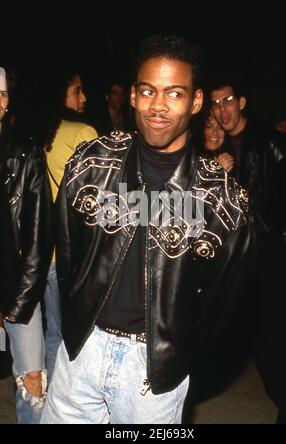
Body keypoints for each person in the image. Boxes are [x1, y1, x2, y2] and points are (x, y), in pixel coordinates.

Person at [41, 34, 252, 424]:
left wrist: (175, 353)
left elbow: (223, 303)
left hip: (152, 372)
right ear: (134, 96)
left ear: (196, 101)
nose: (158, 105)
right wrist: (77, 329)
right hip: (81, 352)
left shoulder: (221, 200)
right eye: (148, 91)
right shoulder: (91, 164)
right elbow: (67, 256)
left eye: (174, 94)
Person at [209, 78, 286, 423]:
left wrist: (276, 242)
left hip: (265, 253)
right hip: (230, 256)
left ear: (242, 102)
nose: (222, 109)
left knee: (271, 333)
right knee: (232, 325)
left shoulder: (273, 144)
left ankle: (285, 404)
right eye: (216, 103)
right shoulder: (214, 149)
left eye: (228, 100)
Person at [0, 66, 52, 423]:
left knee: (33, 379)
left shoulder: (25, 155)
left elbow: (37, 237)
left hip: (17, 287)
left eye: (1, 95)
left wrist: (18, 304)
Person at [41, 71, 98, 381]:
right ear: (61, 94)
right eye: (78, 90)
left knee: (52, 336)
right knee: (78, 339)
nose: (84, 97)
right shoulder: (83, 132)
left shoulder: (37, 133)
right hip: (74, 257)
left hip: (41, 254)